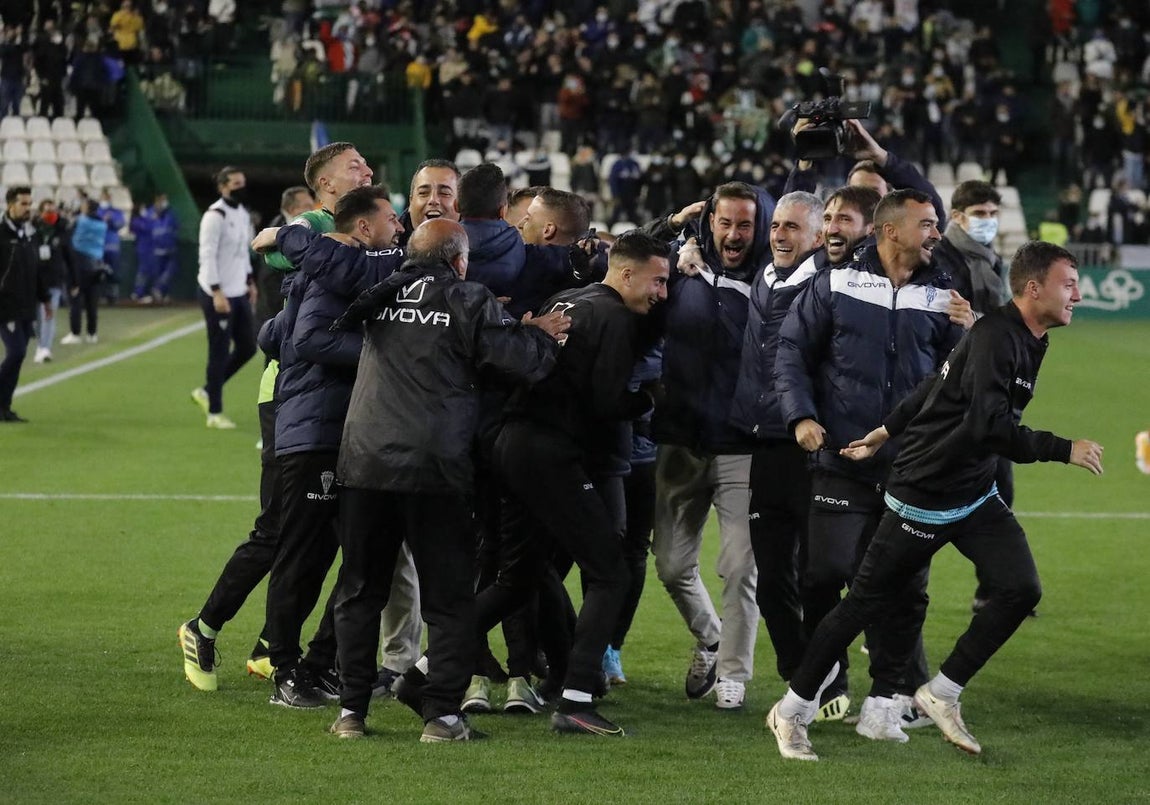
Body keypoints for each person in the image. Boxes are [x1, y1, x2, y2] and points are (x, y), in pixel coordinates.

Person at [767, 241, 1103, 761]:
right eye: (1069, 284)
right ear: (1034, 289)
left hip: (972, 493)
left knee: (1018, 588)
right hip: (925, 492)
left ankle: (941, 693)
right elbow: (988, 426)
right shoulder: (996, 336)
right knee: (865, 603)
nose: (1077, 294)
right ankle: (790, 710)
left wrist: (884, 428)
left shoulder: (1027, 337)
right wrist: (1063, 449)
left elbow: (936, 383)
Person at [327, 219, 570, 742]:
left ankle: (350, 713)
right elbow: (522, 363)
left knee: (360, 590)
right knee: (449, 597)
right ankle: (441, 715)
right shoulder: (468, 298)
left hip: (364, 463)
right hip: (434, 467)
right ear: (459, 260)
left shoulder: (380, 292)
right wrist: (538, 335)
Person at [178, 143, 380, 694]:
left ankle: (274, 647)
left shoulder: (354, 225)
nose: (366, 170)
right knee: (282, 530)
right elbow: (275, 249)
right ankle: (205, 626)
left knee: (323, 534)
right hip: (292, 396)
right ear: (326, 185)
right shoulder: (317, 223)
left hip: (329, 399)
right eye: (354, 166)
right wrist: (295, 234)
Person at [451, 228, 670, 737]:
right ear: (627, 272)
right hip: (548, 453)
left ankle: (424, 672)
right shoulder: (615, 316)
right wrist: (652, 400)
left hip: (510, 443)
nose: (661, 293)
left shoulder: (567, 299)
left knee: (516, 578)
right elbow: (605, 404)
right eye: (657, 282)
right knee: (610, 572)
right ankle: (576, 698)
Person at [774, 188, 970, 742]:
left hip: (914, 466)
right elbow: (790, 351)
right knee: (826, 575)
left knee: (905, 586)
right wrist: (800, 417)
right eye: (927, 223)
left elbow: (964, 376)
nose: (936, 231)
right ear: (890, 231)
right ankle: (818, 686)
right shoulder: (834, 283)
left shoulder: (943, 293)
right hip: (841, 456)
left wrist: (971, 331)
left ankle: (885, 702)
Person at [258, 185, 405, 708]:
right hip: (314, 434)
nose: (398, 228)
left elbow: (273, 337)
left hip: (340, 430)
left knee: (359, 556)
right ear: (363, 227)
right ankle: (286, 671)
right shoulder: (334, 268)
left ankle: (320, 663)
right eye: (391, 219)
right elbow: (308, 342)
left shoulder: (335, 270)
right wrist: (381, 350)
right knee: (303, 556)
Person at [652, 181, 774, 711]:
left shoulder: (774, 280)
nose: (734, 233)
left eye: (745, 224)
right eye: (725, 222)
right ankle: (711, 636)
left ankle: (734, 675)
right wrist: (672, 227)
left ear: (759, 227)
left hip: (740, 445)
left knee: (741, 566)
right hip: (678, 441)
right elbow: (623, 258)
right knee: (671, 566)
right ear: (709, 222)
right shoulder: (680, 268)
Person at [728, 191, 825, 696]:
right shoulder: (768, 274)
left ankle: (832, 678)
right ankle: (799, 674)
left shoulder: (829, 284)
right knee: (772, 581)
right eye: (776, 226)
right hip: (764, 443)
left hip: (808, 445)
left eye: (792, 227)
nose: (780, 234)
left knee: (818, 577)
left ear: (820, 237)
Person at [191, 166, 257, 429]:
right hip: (217, 292)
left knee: (248, 347)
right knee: (218, 351)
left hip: (239, 289)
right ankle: (214, 412)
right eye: (236, 183)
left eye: (243, 182)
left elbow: (243, 252)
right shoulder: (214, 216)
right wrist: (216, 291)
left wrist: (250, 281)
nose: (241, 187)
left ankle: (207, 390)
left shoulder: (242, 214)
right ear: (223, 187)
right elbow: (207, 255)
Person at [0, 187, 50, 423]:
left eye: (30, 204)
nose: (28, 208)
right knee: (16, 351)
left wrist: (46, 298)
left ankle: (4, 407)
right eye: (23, 204)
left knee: (19, 356)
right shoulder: (1, 235)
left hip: (26, 306)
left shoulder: (30, 234)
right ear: (10, 205)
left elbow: (36, 270)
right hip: (5, 307)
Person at [64, 200, 110, 346]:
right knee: (92, 302)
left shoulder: (81, 221)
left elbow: (67, 233)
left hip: (79, 264)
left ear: (86, 208)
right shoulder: (102, 225)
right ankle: (92, 333)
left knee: (75, 299)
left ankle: (75, 333)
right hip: (96, 265)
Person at [32, 200, 72, 364]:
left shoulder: (61, 231)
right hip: (34, 278)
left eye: (53, 211)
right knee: (36, 318)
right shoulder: (33, 231)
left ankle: (45, 347)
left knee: (49, 314)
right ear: (41, 212)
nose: (50, 214)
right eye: (47, 211)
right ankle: (40, 344)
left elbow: (69, 254)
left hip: (53, 278)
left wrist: (74, 279)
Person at [398, 159, 461, 244]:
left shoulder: (480, 249)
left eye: (444, 193)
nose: (433, 200)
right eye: (423, 193)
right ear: (411, 202)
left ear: (461, 203)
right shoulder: (386, 245)